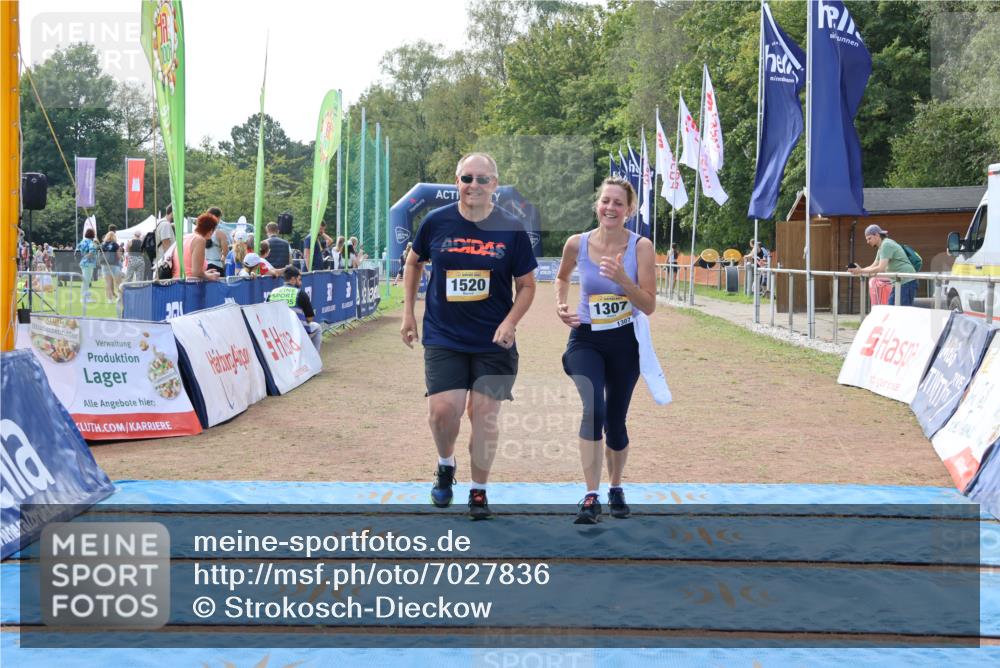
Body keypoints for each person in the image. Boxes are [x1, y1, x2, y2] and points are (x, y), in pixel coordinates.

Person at [401, 152, 537, 520]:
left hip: (494, 340)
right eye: (466, 178)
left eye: (482, 179)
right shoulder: (436, 222)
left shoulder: (510, 228)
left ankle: (479, 490)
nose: (473, 186)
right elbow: (413, 261)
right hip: (444, 334)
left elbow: (526, 285)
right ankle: (446, 464)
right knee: (444, 412)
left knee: (485, 415)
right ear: (456, 182)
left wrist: (511, 322)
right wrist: (408, 313)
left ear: (494, 184)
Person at [555, 176, 657, 524]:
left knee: (615, 422)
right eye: (605, 201)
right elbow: (562, 276)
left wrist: (623, 280)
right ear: (597, 205)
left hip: (625, 342)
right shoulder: (576, 243)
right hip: (585, 338)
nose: (610, 207)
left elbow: (649, 304)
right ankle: (590, 494)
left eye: (618, 203)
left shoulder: (641, 247)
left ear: (629, 210)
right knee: (594, 410)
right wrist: (560, 303)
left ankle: (615, 487)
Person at [848, 224, 916, 306]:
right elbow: (873, 265)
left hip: (906, 281)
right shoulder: (882, 246)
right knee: (892, 310)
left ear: (876, 235)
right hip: (899, 282)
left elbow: (880, 268)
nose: (868, 242)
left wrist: (861, 270)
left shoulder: (886, 245)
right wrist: (858, 270)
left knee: (901, 312)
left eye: (869, 238)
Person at [267, 265, 322, 353]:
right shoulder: (300, 293)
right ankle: (314, 360)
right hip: (296, 333)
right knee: (317, 327)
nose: (301, 283)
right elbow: (310, 318)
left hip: (276, 333)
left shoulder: (273, 292)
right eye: (299, 280)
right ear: (293, 279)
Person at [172, 212, 221, 281]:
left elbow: (188, 267)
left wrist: (205, 273)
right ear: (210, 231)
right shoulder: (200, 240)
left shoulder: (185, 237)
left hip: (177, 283)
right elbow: (196, 272)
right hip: (190, 285)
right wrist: (210, 276)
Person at [76, 228, 99, 303]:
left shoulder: (82, 241)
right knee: (86, 281)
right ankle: (84, 298)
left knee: (86, 280)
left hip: (83, 262)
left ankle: (86, 297)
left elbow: (76, 251)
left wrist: (83, 257)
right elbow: (92, 252)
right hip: (88, 263)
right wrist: (86, 257)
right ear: (92, 235)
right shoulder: (91, 242)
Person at [204, 207, 228, 275]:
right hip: (217, 266)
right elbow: (226, 253)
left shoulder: (201, 232)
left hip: (204, 266)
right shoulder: (220, 233)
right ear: (218, 218)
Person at [101, 228, 123, 300]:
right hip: (114, 265)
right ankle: (120, 297)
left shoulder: (103, 245)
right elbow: (118, 256)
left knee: (108, 283)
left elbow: (100, 254)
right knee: (118, 282)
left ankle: (109, 299)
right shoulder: (115, 245)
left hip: (105, 265)